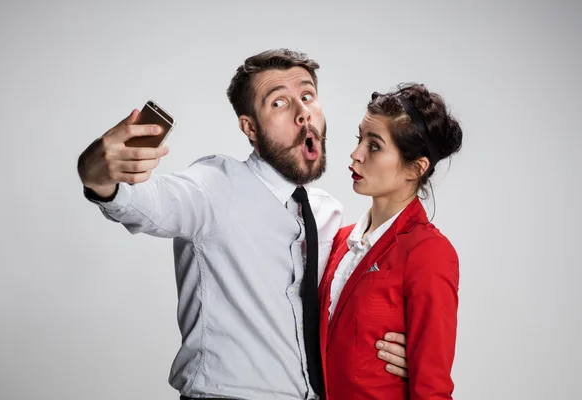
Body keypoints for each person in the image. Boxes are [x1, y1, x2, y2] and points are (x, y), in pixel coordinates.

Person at [77, 49, 409, 400]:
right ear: (249, 127)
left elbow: (338, 310)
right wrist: (98, 175)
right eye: (279, 103)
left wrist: (384, 348)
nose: (302, 114)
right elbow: (146, 202)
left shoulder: (328, 214)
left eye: (307, 96)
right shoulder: (216, 186)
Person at [319, 83, 462, 399]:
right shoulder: (340, 240)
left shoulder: (428, 253)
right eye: (360, 139)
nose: (355, 155)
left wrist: (418, 361)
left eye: (374, 146)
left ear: (416, 167)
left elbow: (433, 388)